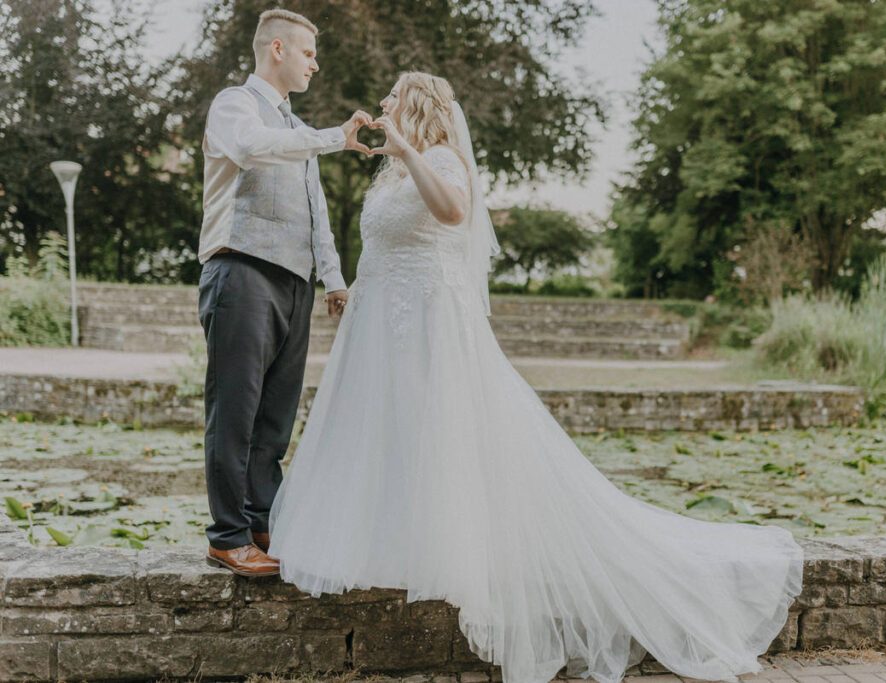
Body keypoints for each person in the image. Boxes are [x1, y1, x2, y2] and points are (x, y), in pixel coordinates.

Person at [268, 71, 804, 683]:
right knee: (389, 432)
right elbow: (386, 247)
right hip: (382, 325)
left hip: (428, 327)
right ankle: (390, 547)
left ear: (414, 107)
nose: (382, 103)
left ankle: (450, 555)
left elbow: (453, 212)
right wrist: (355, 289)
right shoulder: (391, 174)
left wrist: (408, 150)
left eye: (392, 96)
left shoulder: (440, 158)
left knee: (435, 432)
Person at [197, 8, 372, 576]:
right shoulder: (234, 106)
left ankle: (263, 522)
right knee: (236, 412)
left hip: (294, 283)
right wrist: (334, 139)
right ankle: (227, 536)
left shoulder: (299, 132)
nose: (315, 64)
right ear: (277, 49)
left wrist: (334, 279)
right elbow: (249, 148)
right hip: (241, 271)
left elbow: (316, 212)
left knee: (275, 419)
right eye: (308, 53)